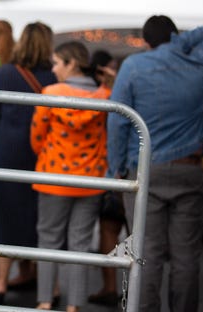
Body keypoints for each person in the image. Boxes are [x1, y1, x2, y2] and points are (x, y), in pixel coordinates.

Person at [107, 16, 203, 312]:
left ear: (144, 42)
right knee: (186, 258)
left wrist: (115, 168)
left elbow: (118, 121)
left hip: (146, 171)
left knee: (146, 255)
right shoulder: (198, 64)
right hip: (190, 169)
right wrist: (174, 44)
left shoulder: (133, 66)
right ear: (173, 36)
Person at [31, 41, 110, 312]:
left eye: (56, 62)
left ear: (71, 64)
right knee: (80, 244)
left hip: (53, 177)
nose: (53, 69)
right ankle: (74, 305)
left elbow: (37, 137)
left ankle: (44, 300)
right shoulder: (104, 96)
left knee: (48, 240)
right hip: (90, 179)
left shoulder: (50, 93)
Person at [0, 22, 57, 305]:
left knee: (6, 214)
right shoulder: (53, 77)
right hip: (40, 150)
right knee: (40, 217)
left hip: (7, 148)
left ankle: (0, 282)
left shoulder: (4, 72)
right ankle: (47, 286)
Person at [87, 49, 124, 307]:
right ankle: (120, 289)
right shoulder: (114, 90)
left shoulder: (102, 93)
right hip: (121, 166)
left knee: (110, 227)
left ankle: (112, 287)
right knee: (120, 227)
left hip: (112, 167)